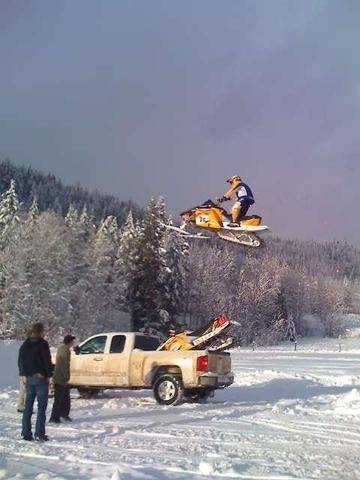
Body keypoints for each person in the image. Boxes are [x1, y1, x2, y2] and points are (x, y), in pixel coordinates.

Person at [18, 322, 53, 441]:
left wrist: (25, 374)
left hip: (29, 378)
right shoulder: (43, 344)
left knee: (28, 407)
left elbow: (20, 361)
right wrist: (48, 374)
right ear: (41, 331)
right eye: (43, 331)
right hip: (40, 378)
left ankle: (26, 433)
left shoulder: (25, 344)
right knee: (41, 407)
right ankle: (39, 434)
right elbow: (46, 361)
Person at [49, 335, 75, 424]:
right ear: (70, 342)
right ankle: (54, 417)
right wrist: (66, 376)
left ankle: (63, 414)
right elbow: (64, 364)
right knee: (59, 399)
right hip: (61, 378)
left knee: (65, 398)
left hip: (59, 377)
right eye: (72, 341)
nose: (73, 343)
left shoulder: (62, 348)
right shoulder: (65, 351)